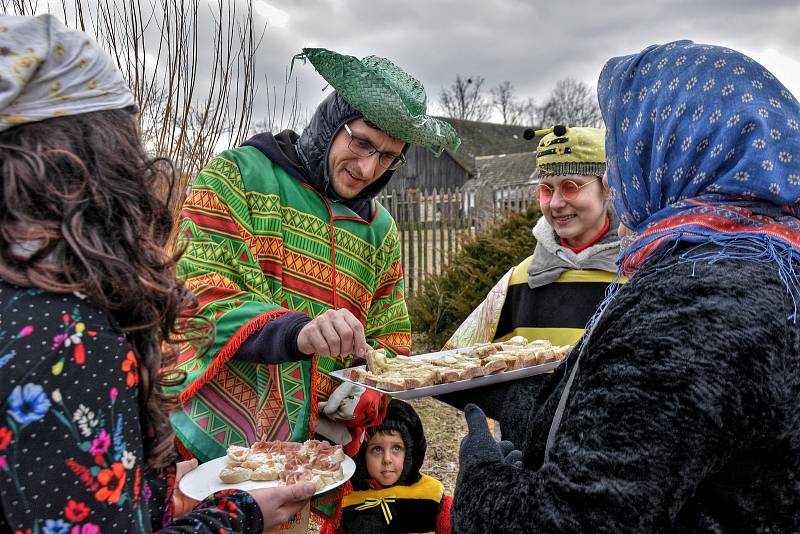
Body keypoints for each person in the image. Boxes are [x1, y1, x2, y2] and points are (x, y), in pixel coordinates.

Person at [451, 40, 800, 533]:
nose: (619, 171)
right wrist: (534, 414)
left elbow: (574, 521)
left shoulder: (695, 304)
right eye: (546, 189)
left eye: (622, 150)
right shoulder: (770, 263)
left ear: (668, 149)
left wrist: (482, 481)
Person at [0, 14, 314, 532]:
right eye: (131, 140)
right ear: (95, 161)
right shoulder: (68, 343)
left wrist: (147, 496)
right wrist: (241, 515)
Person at [168, 48, 460, 466]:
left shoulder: (380, 230)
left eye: (389, 157)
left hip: (321, 457)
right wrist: (295, 332)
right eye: (361, 143)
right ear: (331, 123)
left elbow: (390, 338)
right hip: (217, 445)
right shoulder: (239, 175)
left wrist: (366, 393)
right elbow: (196, 293)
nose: (367, 167)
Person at [443, 125, 622, 350]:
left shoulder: (638, 275)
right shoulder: (517, 282)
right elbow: (461, 361)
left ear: (607, 188)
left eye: (570, 187)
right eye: (546, 190)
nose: (556, 203)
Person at [319, 400, 451, 534]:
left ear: (410, 452)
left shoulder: (431, 495)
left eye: (396, 448)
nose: (387, 459)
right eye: (377, 449)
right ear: (361, 455)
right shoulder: (345, 502)